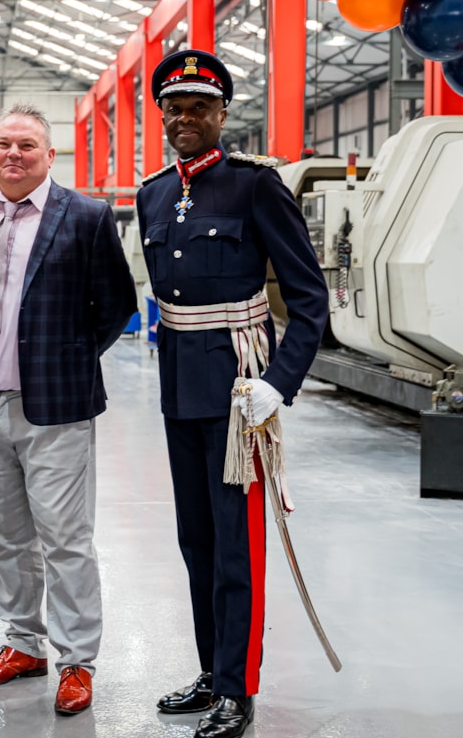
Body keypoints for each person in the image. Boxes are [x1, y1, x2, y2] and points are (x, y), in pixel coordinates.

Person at [135, 50, 328, 738]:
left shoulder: (255, 186)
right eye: (174, 107)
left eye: (199, 107)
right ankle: (214, 671)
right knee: (196, 542)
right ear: (161, 115)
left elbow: (310, 299)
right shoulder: (153, 193)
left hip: (240, 392)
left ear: (222, 115)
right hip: (178, 390)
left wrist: (279, 385)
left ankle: (239, 690)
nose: (185, 118)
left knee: (236, 548)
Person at [0, 103, 136, 716]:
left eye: (27, 145)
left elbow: (114, 306)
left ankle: (77, 659)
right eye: (4, 143)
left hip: (53, 407)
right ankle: (22, 643)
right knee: (6, 536)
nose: (14, 155)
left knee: (65, 539)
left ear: (49, 156)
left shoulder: (84, 216)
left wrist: (66, 360)